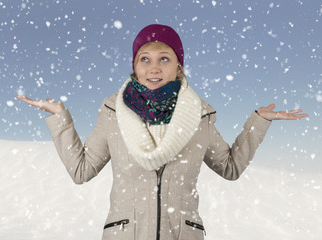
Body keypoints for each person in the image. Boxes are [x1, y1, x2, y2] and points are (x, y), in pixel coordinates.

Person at [16, 24, 308, 240]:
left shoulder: (199, 117)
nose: (153, 67)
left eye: (164, 58)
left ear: (178, 67)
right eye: (145, 59)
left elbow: (229, 168)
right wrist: (60, 118)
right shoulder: (113, 114)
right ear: (135, 66)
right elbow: (82, 170)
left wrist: (258, 120)